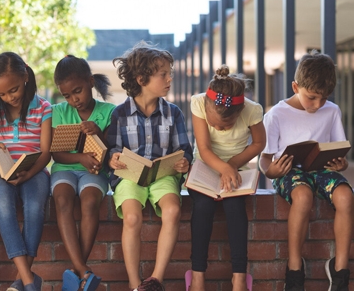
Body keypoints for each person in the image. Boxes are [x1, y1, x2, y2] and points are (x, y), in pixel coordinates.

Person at [259, 50, 352, 291]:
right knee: (302, 196)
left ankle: (340, 270)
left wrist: (342, 164)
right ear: (295, 86)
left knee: (345, 195)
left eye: (324, 98)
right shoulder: (276, 114)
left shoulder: (331, 111)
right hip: (287, 172)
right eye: (312, 97)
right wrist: (271, 172)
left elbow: (338, 152)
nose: (318, 104)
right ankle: (294, 269)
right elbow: (265, 159)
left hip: (320, 170)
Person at [107, 42, 193, 291]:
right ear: (142, 78)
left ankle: (155, 280)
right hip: (130, 177)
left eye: (170, 73)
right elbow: (113, 149)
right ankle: (136, 285)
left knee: (173, 212)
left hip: (163, 176)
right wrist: (113, 158)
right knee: (132, 217)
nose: (169, 79)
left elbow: (184, 150)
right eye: (163, 74)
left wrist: (183, 161)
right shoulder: (119, 113)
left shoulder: (173, 113)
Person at [186, 65, 266, 291]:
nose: (219, 128)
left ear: (239, 114)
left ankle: (239, 276)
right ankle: (198, 276)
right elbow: (204, 148)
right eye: (214, 124)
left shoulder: (252, 110)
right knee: (202, 207)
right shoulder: (199, 102)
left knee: (234, 207)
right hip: (205, 166)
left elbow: (259, 143)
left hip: (235, 167)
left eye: (225, 126)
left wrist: (232, 164)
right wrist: (223, 167)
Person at [0, 52, 50, 291]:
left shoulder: (43, 107)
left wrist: (29, 174)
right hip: (1, 173)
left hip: (35, 172)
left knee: (34, 208)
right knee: (3, 208)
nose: (8, 97)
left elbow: (46, 153)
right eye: (1, 93)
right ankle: (30, 282)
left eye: (13, 90)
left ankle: (23, 282)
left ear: (25, 76)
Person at [50, 55, 115, 291]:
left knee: (89, 203)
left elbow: (111, 151)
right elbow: (56, 154)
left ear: (90, 82)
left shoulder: (109, 112)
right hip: (65, 169)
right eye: (67, 95)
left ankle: (78, 270)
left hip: (95, 172)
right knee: (62, 199)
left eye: (77, 91)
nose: (74, 100)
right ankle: (83, 271)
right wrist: (80, 158)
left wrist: (97, 132)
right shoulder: (58, 112)